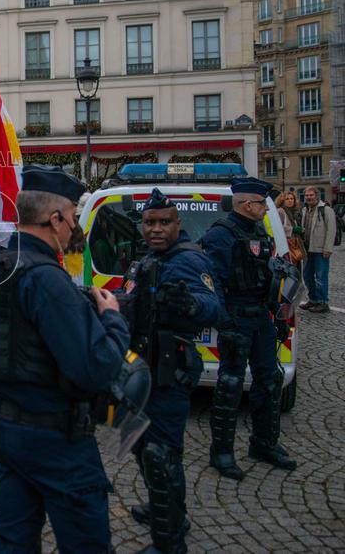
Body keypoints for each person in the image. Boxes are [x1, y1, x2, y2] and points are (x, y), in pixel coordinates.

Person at [0, 164, 131, 552]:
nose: (75, 229)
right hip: (55, 436)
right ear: (55, 219)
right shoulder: (45, 279)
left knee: (14, 540)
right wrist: (112, 320)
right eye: (73, 218)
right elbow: (94, 368)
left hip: (4, 429)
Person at [121, 189, 223, 554]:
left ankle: (171, 540)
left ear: (178, 225)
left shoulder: (188, 261)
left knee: (162, 455)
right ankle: (164, 508)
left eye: (165, 222)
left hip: (169, 374)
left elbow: (213, 307)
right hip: (142, 372)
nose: (157, 229)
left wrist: (193, 303)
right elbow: (130, 302)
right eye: (150, 223)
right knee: (143, 448)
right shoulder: (146, 261)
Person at [200, 177, 296, 481]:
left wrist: (278, 313)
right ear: (246, 204)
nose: (265, 212)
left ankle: (264, 443)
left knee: (270, 381)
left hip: (260, 318)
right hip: (236, 317)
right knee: (229, 385)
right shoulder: (221, 235)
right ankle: (222, 452)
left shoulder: (258, 231)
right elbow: (211, 280)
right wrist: (223, 322)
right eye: (261, 205)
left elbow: (266, 277)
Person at [299, 186, 335, 313]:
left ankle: (323, 302)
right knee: (307, 276)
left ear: (317, 196)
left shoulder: (326, 210)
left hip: (320, 249)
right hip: (307, 249)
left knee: (321, 276)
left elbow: (331, 231)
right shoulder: (304, 210)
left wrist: (328, 249)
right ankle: (313, 299)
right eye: (307, 195)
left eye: (311, 195)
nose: (309, 197)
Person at [275, 191, 305, 268]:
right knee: (290, 267)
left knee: (296, 267)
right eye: (287, 199)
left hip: (295, 243)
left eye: (292, 198)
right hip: (286, 244)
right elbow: (277, 228)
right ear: (282, 201)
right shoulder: (280, 211)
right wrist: (293, 229)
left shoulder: (294, 212)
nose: (290, 200)